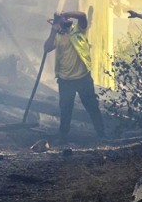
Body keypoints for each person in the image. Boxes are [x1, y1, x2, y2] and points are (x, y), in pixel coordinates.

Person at [43, 11, 106, 142]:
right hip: (65, 80)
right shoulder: (57, 37)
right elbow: (47, 48)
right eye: (62, 19)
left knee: (92, 107)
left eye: (67, 18)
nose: (65, 20)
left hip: (83, 78)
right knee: (65, 109)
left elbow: (82, 16)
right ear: (59, 23)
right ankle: (63, 136)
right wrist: (53, 31)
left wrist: (64, 13)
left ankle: (102, 134)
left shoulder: (79, 31)